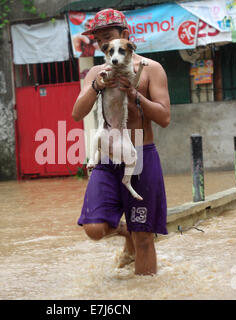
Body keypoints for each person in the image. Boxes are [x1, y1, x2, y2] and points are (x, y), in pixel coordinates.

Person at [72, 8, 171, 276]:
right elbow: (77, 113)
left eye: (108, 37)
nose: (104, 44)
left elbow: (164, 117)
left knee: (145, 239)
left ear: (125, 35)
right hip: (106, 158)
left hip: (140, 153)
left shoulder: (151, 69)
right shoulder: (96, 72)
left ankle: (143, 293)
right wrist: (97, 87)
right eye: (100, 40)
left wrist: (136, 95)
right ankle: (126, 231)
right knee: (94, 229)